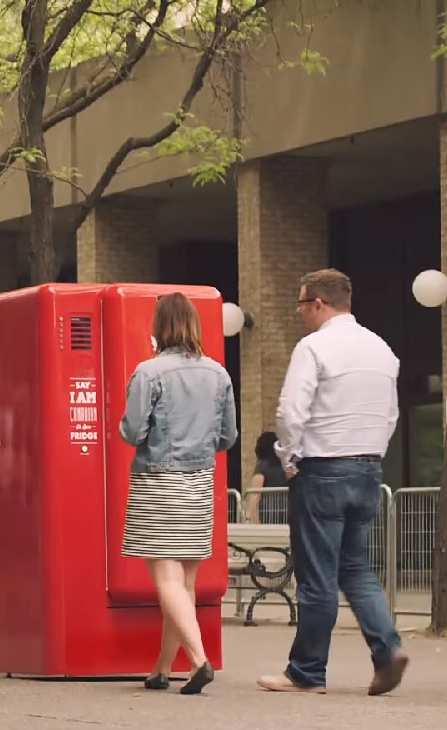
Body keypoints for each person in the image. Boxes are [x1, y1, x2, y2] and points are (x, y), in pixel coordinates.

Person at [257, 269, 410, 696]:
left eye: (301, 305)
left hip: (322, 469)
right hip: (368, 467)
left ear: (318, 303)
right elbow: (391, 413)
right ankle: (387, 650)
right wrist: (372, 451)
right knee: (356, 568)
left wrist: (289, 457)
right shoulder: (381, 348)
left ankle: (307, 672)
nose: (300, 313)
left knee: (317, 575)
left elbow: (291, 411)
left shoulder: (314, 346)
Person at [119, 293, 238, 695]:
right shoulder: (219, 374)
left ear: (160, 326)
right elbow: (228, 437)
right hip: (199, 483)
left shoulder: (149, 373)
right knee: (184, 583)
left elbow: (132, 432)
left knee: (167, 580)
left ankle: (200, 660)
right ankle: (163, 669)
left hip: (158, 481)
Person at [243, 430, 290, 524]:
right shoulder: (286, 465)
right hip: (287, 511)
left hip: (268, 512)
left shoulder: (262, 466)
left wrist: (248, 516)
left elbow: (256, 494)